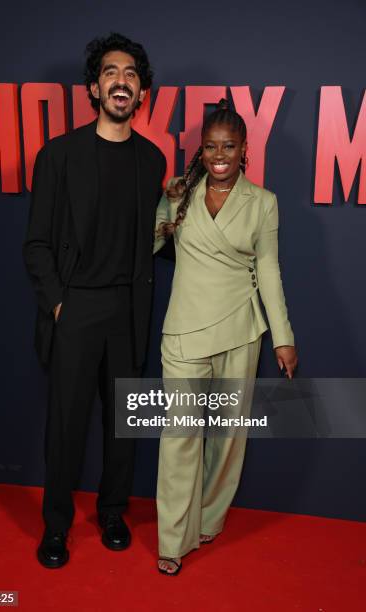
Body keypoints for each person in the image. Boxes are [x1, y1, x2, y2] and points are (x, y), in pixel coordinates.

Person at [23, 32, 166, 568]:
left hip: (128, 311)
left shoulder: (152, 161)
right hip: (75, 308)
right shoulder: (58, 156)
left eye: (131, 74)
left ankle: (112, 512)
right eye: (111, 72)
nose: (121, 81)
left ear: (142, 92)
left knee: (123, 424)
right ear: (93, 87)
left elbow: (156, 237)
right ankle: (55, 526)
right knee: (65, 425)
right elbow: (36, 243)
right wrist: (60, 304)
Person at [153, 99, 298, 575]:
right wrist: (158, 201)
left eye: (229, 146)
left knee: (228, 438)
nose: (219, 155)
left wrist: (283, 336)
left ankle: (208, 521)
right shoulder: (180, 193)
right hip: (185, 331)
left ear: (243, 149)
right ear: (201, 149)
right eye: (211, 146)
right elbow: (148, 240)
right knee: (179, 437)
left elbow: (270, 270)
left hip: (241, 329)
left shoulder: (264, 202)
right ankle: (172, 541)